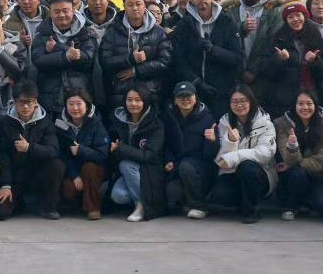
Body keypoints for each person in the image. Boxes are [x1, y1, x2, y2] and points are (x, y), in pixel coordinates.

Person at [206, 86, 277, 223]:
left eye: (243, 101)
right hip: (232, 172)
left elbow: (265, 152)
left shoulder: (265, 122)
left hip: (261, 174)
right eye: (235, 101)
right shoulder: (224, 122)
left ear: (251, 101)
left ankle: (252, 211)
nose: (239, 105)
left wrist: (235, 156)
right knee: (220, 195)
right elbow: (223, 159)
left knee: (247, 167)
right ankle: (243, 203)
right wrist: (231, 141)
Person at [0, 83, 61, 220]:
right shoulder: (5, 123)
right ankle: (18, 203)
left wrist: (30, 148)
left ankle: (49, 207)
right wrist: (6, 185)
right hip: (15, 177)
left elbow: (53, 150)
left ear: (36, 102)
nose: (25, 107)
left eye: (29, 102)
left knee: (57, 165)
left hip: (37, 174)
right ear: (14, 102)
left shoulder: (46, 122)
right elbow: (2, 155)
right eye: (21, 102)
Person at [171, 0, 242, 113]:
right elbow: (178, 59)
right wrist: (196, 82)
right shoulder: (184, 24)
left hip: (221, 91)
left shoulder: (227, 21)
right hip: (193, 91)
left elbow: (236, 58)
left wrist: (213, 50)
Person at [104, 85, 169, 222]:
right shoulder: (118, 120)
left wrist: (121, 148)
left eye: (138, 100)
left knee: (126, 164)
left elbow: (149, 155)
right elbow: (112, 149)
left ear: (145, 101)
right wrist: (114, 151)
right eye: (129, 100)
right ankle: (140, 199)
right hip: (128, 172)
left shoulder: (156, 123)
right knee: (118, 196)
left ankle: (141, 205)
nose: (133, 104)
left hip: (149, 170)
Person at [98, 0, 172, 106]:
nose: (135, 8)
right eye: (130, 4)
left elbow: (165, 61)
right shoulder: (112, 31)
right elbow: (104, 60)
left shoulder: (158, 32)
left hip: (151, 92)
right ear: (124, 6)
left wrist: (137, 71)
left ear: (144, 6)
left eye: (138, 4)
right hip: (119, 92)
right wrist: (130, 59)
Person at [273, 91, 323, 219]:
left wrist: (296, 164)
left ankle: (307, 201)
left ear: (316, 105)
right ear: (294, 105)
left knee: (322, 204)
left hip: (318, 176)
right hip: (292, 177)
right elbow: (288, 159)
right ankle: (291, 207)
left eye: (309, 103)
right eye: (301, 104)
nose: (305, 107)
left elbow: (320, 162)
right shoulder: (283, 124)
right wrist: (293, 146)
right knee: (298, 174)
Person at [159, 81, 216, 216]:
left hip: (200, 166)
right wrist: (168, 159)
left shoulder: (207, 118)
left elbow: (210, 155)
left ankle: (199, 206)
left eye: (188, 96)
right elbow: (166, 143)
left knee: (186, 167)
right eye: (180, 96)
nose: (185, 99)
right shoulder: (168, 117)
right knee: (172, 191)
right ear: (175, 100)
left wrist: (212, 141)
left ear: (195, 98)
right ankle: (184, 202)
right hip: (177, 164)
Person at [54, 90, 112, 220]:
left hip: (95, 168)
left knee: (89, 168)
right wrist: (74, 175)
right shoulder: (59, 123)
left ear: (87, 105)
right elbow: (61, 154)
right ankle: (79, 204)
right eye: (71, 104)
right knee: (68, 189)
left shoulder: (96, 123)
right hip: (73, 169)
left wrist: (81, 150)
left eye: (79, 104)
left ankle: (93, 208)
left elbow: (103, 154)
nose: (75, 108)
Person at [31, 0, 98, 105]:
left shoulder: (86, 32)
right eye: (56, 12)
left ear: (73, 11)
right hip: (48, 94)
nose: (61, 15)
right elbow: (38, 60)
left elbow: (88, 59)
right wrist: (66, 56)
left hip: (79, 94)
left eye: (65, 11)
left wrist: (57, 48)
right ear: (50, 13)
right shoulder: (42, 33)